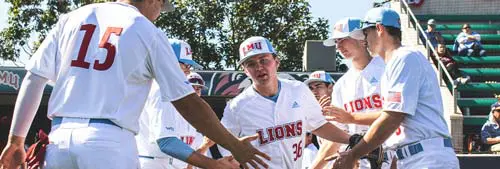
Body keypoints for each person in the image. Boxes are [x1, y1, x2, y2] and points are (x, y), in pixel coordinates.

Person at [0, 1, 269, 169]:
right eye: (161, 5)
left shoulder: (74, 17)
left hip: (60, 137)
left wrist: (16, 140)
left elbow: (35, 78)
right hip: (109, 142)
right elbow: (187, 102)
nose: (159, 12)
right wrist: (233, 144)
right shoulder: (146, 29)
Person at [332, 8, 459, 168]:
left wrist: (353, 154)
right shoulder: (394, 64)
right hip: (408, 157)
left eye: (366, 33)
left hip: (428, 157)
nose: (365, 39)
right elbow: (397, 121)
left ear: (379, 29)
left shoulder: (405, 57)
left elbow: (392, 117)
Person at [219, 36, 351, 169]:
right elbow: (225, 149)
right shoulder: (236, 107)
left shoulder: (298, 90)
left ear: (276, 61)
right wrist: (236, 152)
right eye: (251, 64)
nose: (259, 67)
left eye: (264, 60)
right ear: (245, 70)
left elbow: (319, 126)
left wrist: (353, 139)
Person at [136, 39, 237, 169]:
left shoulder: (160, 86)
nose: (188, 71)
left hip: (161, 161)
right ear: (168, 60)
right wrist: (214, 165)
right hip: (155, 162)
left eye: (189, 67)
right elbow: (166, 142)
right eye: (184, 65)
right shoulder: (162, 89)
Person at [312, 17, 394, 169]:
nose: (338, 46)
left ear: (362, 39)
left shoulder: (387, 69)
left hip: (394, 156)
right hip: (360, 160)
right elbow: (337, 136)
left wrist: (352, 118)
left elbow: (396, 116)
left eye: (343, 39)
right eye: (336, 42)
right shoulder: (341, 84)